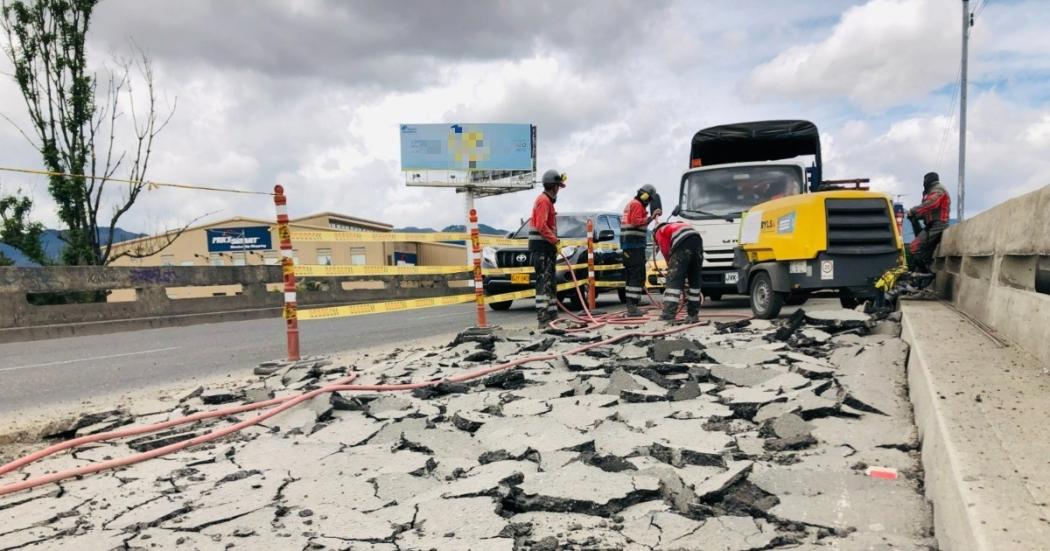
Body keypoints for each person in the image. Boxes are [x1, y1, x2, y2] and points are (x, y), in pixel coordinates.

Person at [530, 169, 566, 327]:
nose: (559, 189)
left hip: (547, 248)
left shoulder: (547, 202)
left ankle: (552, 316)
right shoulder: (543, 201)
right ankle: (543, 319)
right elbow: (541, 226)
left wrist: (554, 243)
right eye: (558, 186)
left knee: (550, 283)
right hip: (542, 248)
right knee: (544, 283)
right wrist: (555, 241)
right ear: (554, 186)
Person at [620, 184, 660, 317]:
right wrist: (651, 218)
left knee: (632, 275)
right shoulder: (637, 204)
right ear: (646, 196)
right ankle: (632, 307)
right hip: (633, 246)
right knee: (636, 275)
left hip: (631, 246)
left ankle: (634, 301)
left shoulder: (632, 204)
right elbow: (637, 221)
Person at [653, 221, 704, 323]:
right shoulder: (677, 225)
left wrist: (673, 269)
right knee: (694, 280)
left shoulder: (660, 231)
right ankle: (693, 315)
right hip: (697, 241)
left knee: (673, 282)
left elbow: (666, 251)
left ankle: (668, 315)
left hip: (683, 244)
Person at [907, 171, 951, 273]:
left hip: (939, 225)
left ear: (929, 179)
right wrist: (916, 216)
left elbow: (931, 204)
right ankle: (920, 273)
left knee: (915, 246)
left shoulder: (938, 189)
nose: (923, 182)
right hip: (931, 224)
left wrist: (913, 210)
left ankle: (925, 273)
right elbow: (927, 210)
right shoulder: (931, 190)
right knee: (922, 250)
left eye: (924, 180)